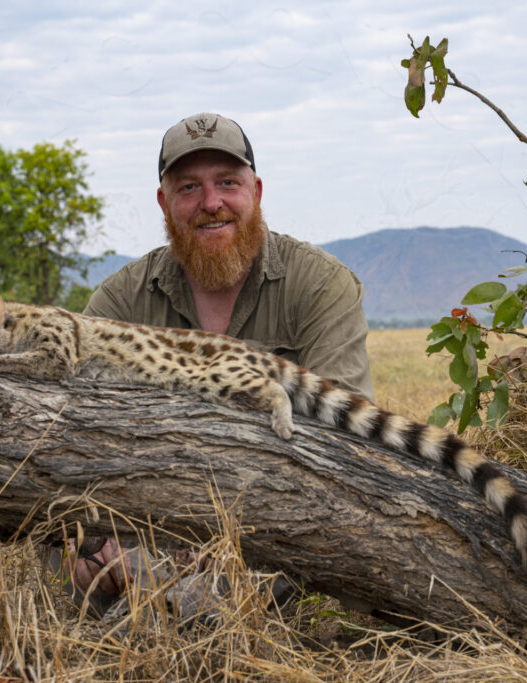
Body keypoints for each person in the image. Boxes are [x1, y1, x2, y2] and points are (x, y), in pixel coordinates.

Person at [61, 112, 373, 617]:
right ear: (164, 202)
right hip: (153, 522)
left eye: (228, 182)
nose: (211, 204)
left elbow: (341, 444)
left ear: (257, 190)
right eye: (189, 187)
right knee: (78, 559)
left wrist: (228, 532)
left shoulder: (320, 283)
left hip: (276, 526)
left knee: (196, 611)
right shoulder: (121, 298)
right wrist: (96, 538)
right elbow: (73, 427)